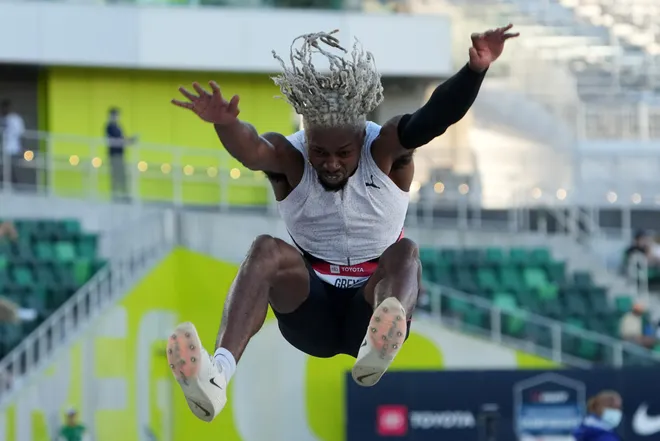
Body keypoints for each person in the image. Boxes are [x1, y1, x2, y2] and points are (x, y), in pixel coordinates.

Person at [166, 26, 518, 422]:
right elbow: (252, 149)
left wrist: (474, 71)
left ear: (360, 138)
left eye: (343, 153)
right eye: (319, 151)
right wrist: (226, 125)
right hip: (309, 310)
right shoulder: (291, 157)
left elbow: (433, 118)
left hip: (368, 309)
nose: (330, 163)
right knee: (265, 249)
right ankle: (218, 377)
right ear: (306, 138)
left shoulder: (385, 147)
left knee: (405, 252)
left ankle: (379, 347)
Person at [105, 107, 138, 200]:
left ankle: (123, 195)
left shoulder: (118, 127)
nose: (116, 117)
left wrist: (130, 140)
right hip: (114, 155)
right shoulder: (110, 127)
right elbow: (118, 140)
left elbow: (122, 139)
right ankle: (116, 195)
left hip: (120, 154)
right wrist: (127, 141)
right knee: (116, 176)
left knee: (122, 176)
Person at [0, 100, 25, 187]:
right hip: (2, 149)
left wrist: (22, 148)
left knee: (10, 169)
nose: (4, 110)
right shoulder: (1, 118)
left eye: (6, 108)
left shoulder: (16, 119)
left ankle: (14, 187)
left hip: (12, 148)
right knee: (4, 168)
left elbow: (22, 134)